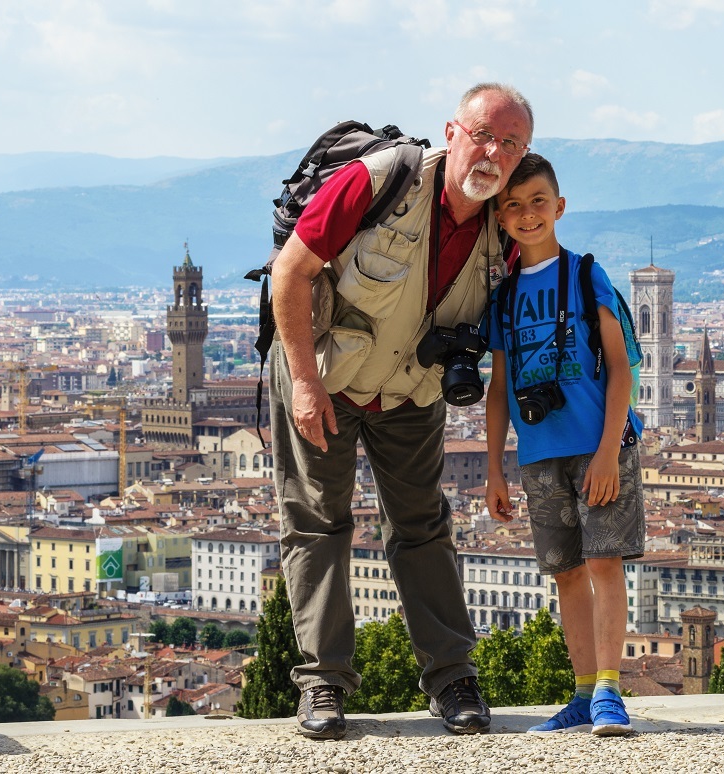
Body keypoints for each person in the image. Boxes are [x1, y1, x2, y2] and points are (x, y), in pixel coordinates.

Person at [270, 83, 533, 739]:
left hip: (411, 389)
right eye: (483, 135)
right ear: (452, 131)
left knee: (422, 524)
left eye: (511, 143)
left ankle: (454, 679)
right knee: (317, 523)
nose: (493, 152)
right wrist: (303, 381)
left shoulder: (507, 223)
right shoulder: (383, 180)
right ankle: (323, 685)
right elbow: (290, 272)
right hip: (325, 376)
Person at [485, 153, 644, 736]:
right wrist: (495, 468)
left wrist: (608, 451)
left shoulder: (585, 275)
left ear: (559, 207)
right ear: (500, 216)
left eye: (537, 202)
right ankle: (581, 694)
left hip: (600, 446)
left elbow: (622, 371)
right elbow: (498, 389)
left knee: (604, 562)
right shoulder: (501, 298)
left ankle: (608, 691)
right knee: (567, 573)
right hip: (539, 453)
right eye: (513, 205)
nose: (527, 214)